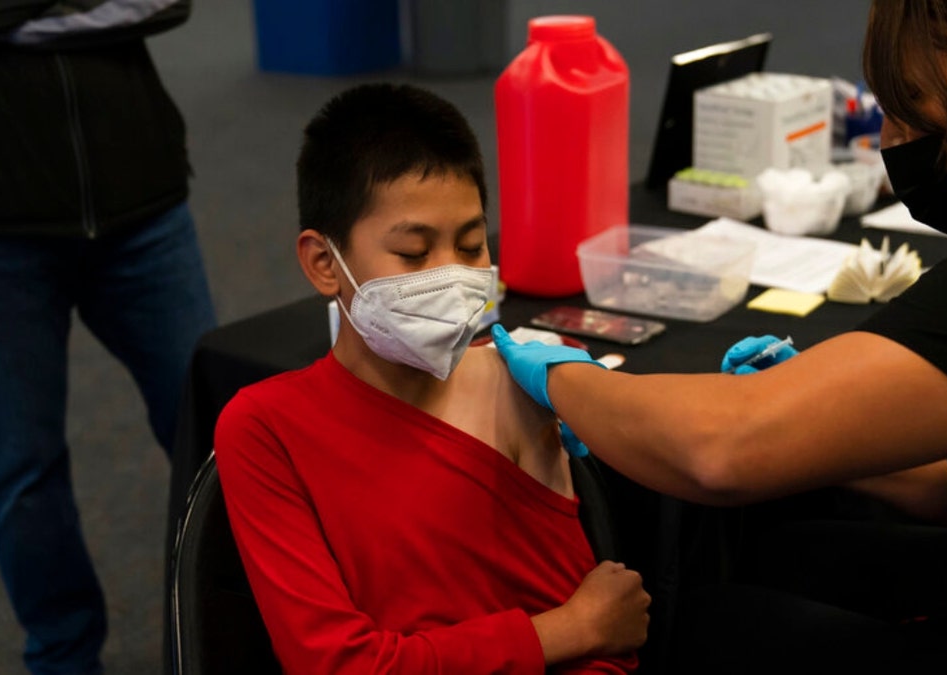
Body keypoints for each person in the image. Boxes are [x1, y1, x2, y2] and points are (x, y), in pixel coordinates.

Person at [491, 0, 947, 673]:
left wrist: (565, 377)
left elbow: (721, 449)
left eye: (915, 105)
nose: (895, 140)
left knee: (710, 629)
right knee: (786, 553)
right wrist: (847, 421)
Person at [214, 83, 648, 674]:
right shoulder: (267, 428)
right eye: (414, 255)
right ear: (324, 264)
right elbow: (338, 666)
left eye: (471, 246)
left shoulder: (517, 384)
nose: (451, 277)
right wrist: (568, 629)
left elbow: (607, 648)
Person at [0, 2, 216, 674]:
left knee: (220, 434)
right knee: (22, 467)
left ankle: (235, 624)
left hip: (142, 204)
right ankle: (65, 655)